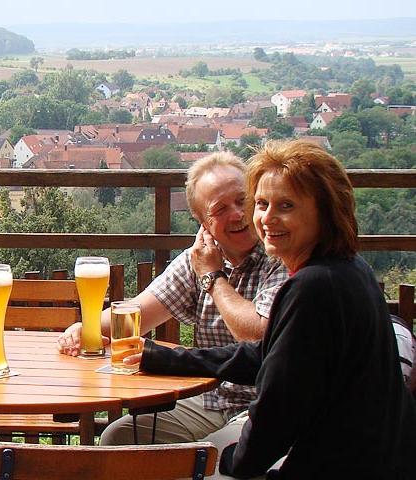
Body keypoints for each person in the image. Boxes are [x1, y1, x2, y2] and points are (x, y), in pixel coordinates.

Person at [128, 140, 416, 478]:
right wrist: (161, 358)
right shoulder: (345, 269)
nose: (267, 218)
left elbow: (278, 406)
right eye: (262, 204)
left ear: (325, 210)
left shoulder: (314, 287)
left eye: (286, 206)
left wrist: (234, 462)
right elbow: (268, 355)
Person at [57, 152, 288, 445]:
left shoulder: (280, 254)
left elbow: (257, 334)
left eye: (243, 200)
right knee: (118, 438)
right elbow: (137, 314)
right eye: (220, 209)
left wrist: (213, 278)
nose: (238, 214)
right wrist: (85, 328)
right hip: (212, 400)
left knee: (207, 457)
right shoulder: (199, 259)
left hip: (268, 406)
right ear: (202, 222)